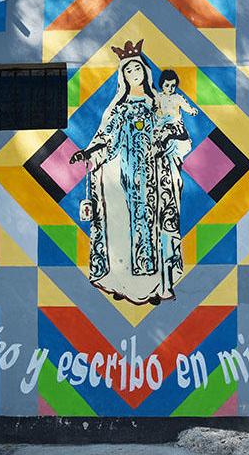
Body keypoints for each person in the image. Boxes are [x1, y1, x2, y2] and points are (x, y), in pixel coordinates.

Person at [69, 39, 183, 306]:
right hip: (126, 174)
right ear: (123, 76)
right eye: (129, 71)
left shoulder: (158, 103)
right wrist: (88, 153)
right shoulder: (119, 108)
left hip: (155, 174)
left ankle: (156, 285)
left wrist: (167, 140)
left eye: (138, 69)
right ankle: (124, 285)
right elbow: (107, 137)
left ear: (145, 72)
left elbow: (173, 126)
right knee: (122, 229)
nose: (135, 74)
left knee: (155, 228)